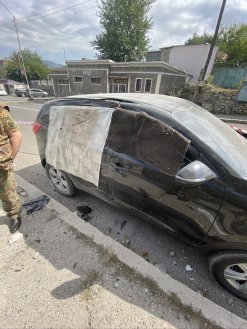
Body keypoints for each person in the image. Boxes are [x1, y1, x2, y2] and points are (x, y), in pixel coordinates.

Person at [0, 102, 22, 233]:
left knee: (7, 192)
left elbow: (15, 135)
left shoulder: (1, 112)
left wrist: (10, 158)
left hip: (1, 164)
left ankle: (14, 216)